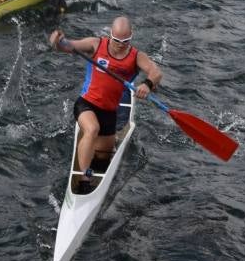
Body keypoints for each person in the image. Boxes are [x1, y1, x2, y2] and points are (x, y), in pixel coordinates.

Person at [48, 17, 163, 193]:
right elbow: (66, 46)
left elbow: (156, 72)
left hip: (109, 113)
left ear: (131, 37)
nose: (121, 45)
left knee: (102, 159)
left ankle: (93, 160)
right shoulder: (95, 44)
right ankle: (85, 178)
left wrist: (147, 84)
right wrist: (56, 41)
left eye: (125, 41)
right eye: (117, 40)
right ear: (110, 35)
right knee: (92, 129)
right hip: (86, 104)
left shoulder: (136, 56)